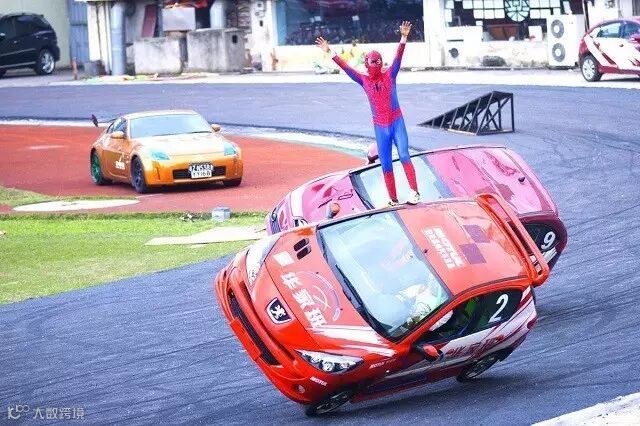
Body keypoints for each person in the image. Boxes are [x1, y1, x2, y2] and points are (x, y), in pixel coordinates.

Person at [316, 21, 420, 206]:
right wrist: (329, 51)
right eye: (372, 62)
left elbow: (398, 57)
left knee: (404, 155)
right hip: (381, 127)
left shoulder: (390, 75)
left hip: (396, 121)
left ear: (380, 63)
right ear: (367, 64)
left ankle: (415, 192)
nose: (375, 64)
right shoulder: (364, 80)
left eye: (377, 61)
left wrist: (404, 37)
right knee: (386, 164)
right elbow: (346, 67)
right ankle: (393, 199)